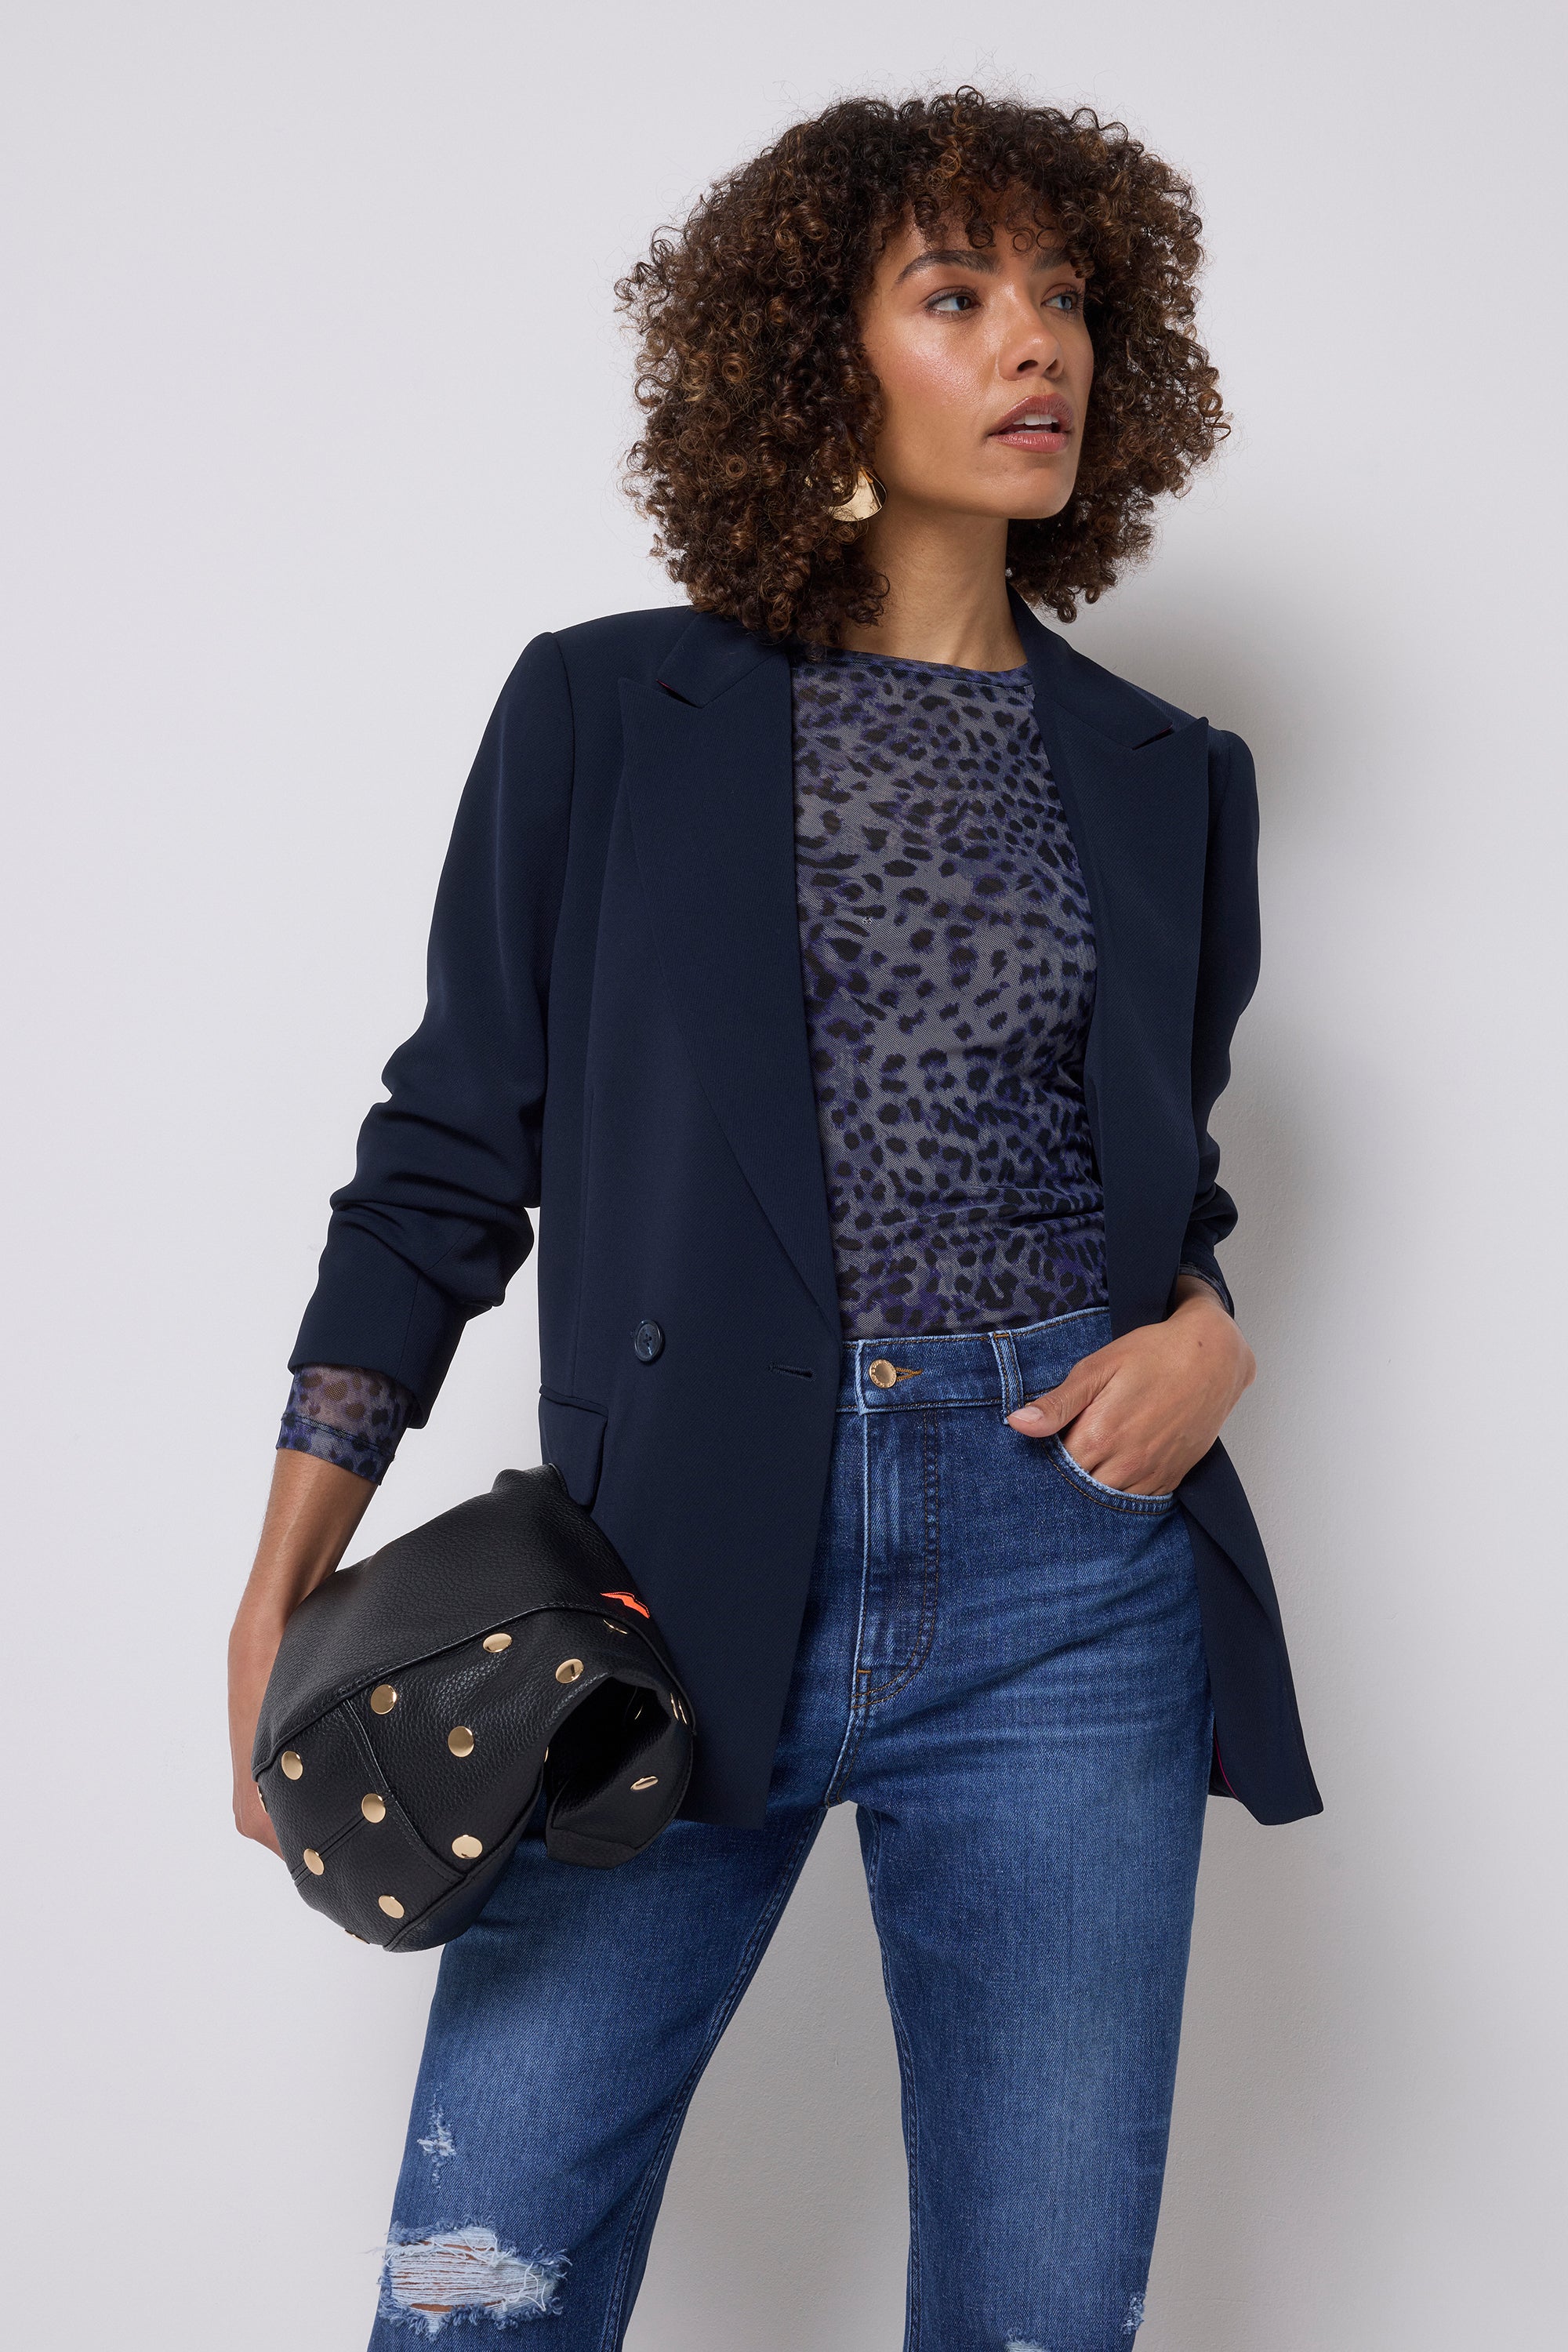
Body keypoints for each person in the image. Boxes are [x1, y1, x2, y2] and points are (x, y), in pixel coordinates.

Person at [228, 89, 1320, 2350]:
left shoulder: (1171, 779)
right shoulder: (610, 711)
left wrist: (1209, 1325)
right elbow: (448, 1155)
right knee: (479, 2292)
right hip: (675, 1567)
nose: (1035, 343)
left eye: (1067, 299)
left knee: (1039, 2315)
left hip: (1069, 1579)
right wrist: (283, 1584)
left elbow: (1154, 1170)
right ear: (816, 354)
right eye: (958, 296)